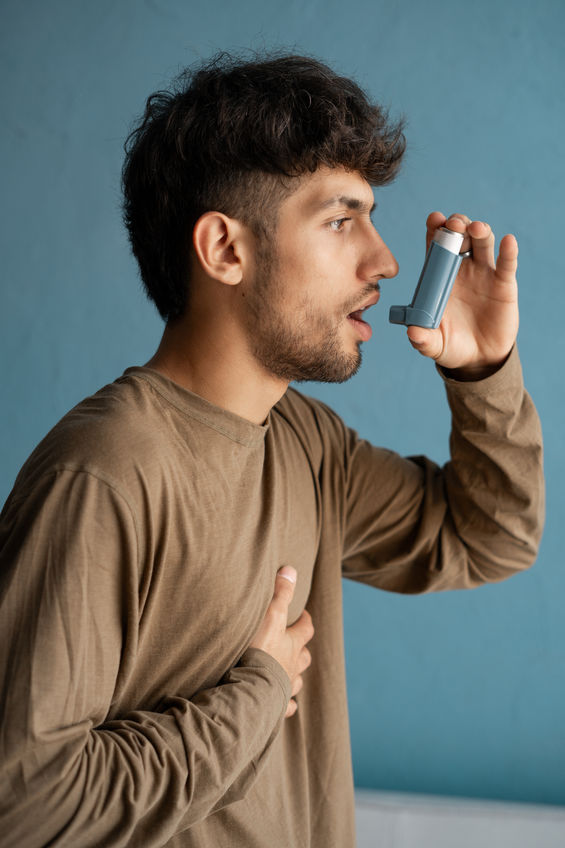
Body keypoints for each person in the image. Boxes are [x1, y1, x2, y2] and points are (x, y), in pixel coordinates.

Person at [0, 52, 544, 848]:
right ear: (224, 249)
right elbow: (26, 804)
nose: (384, 261)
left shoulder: (305, 441)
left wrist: (483, 372)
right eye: (339, 220)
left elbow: (488, 538)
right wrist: (254, 697)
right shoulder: (105, 473)